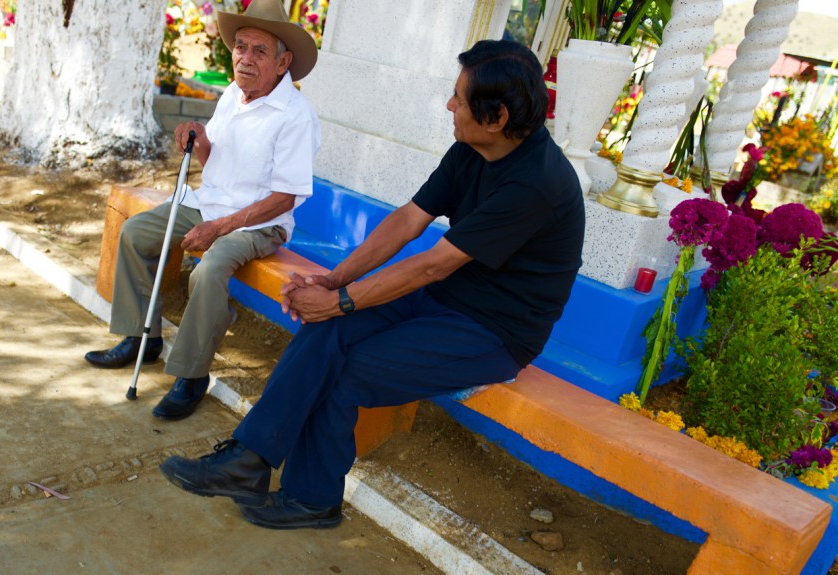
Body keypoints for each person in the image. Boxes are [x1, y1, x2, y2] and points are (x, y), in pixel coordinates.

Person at [159, 39, 585, 529]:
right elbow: (408, 219)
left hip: (494, 331)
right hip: (442, 299)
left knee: (346, 369)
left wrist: (339, 302)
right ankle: (247, 461)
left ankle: (312, 499)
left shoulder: (536, 183)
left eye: (460, 100)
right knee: (325, 334)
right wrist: (334, 280)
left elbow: (433, 265)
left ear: (497, 118)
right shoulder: (473, 148)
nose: (449, 106)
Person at [84, 0, 321, 421]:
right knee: (137, 232)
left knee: (209, 270)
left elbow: (285, 198)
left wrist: (219, 228)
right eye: (240, 46)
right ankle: (142, 339)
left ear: (284, 62)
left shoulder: (296, 116)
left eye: (259, 51)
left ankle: (192, 376)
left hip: (260, 223)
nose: (245, 58)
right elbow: (215, 163)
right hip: (211, 205)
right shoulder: (233, 93)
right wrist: (197, 138)